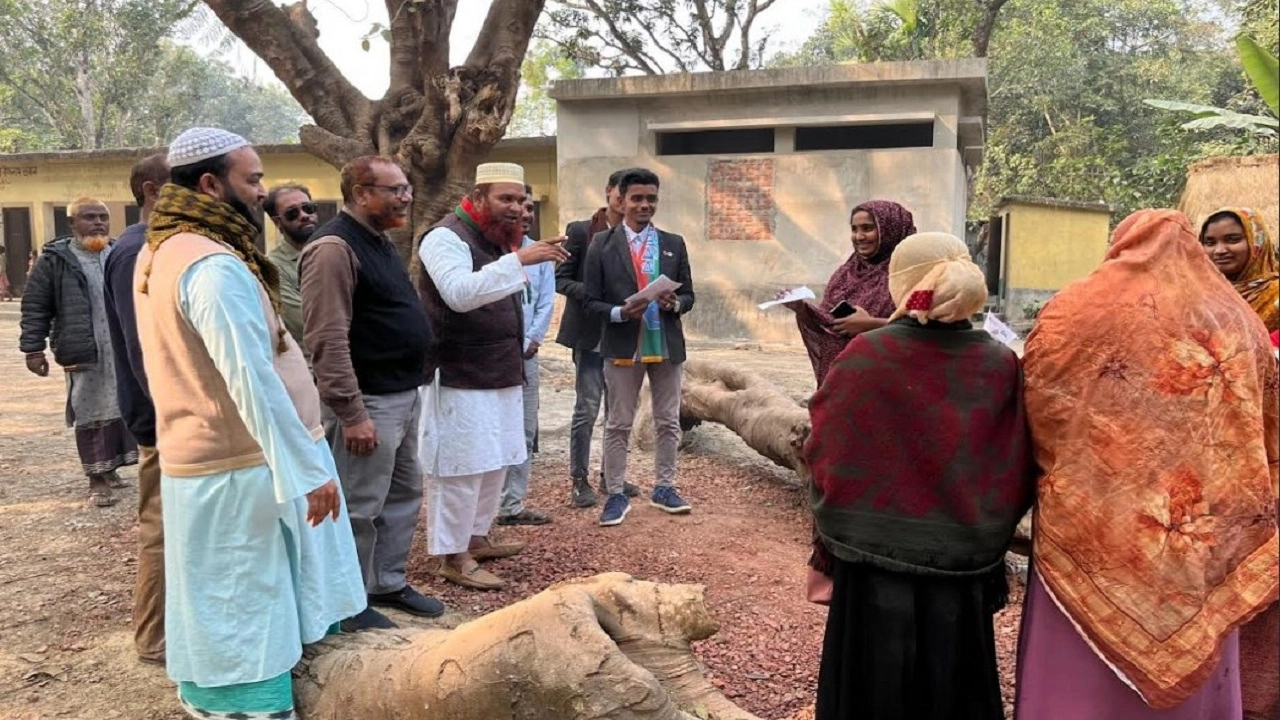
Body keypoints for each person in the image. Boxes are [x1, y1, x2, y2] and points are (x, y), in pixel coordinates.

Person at [133, 126, 366, 719]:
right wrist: (306, 470)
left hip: (231, 461)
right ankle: (248, 709)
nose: (263, 192)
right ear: (211, 185)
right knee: (242, 599)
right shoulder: (210, 265)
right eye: (253, 179)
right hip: (237, 468)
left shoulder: (167, 246)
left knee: (242, 593)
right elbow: (251, 379)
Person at [1016, 209, 1279, 719]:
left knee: (1074, 667)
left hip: (1089, 521)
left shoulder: (1075, 309)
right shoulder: (1237, 321)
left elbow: (1038, 406)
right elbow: (1264, 425)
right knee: (1198, 636)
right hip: (1198, 524)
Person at [807, 231, 1032, 720]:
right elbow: (1013, 460)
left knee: (870, 692)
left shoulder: (868, 355)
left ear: (902, 285)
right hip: (963, 564)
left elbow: (826, 449)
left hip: (872, 565)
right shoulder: (999, 363)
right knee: (954, 690)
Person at [300, 155, 441, 629]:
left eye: (407, 188)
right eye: (395, 189)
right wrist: (353, 413)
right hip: (367, 403)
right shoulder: (334, 249)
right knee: (358, 507)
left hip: (401, 395)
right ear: (361, 194)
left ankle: (385, 582)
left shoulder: (378, 241)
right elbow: (326, 337)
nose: (407, 197)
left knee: (403, 494)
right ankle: (348, 603)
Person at [418, 163, 568, 590]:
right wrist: (521, 260)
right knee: (462, 466)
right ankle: (452, 555)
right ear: (478, 197)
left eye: (521, 200)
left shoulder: (497, 239)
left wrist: (516, 257)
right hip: (460, 373)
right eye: (506, 199)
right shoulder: (444, 237)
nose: (516, 208)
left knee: (497, 460)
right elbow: (460, 294)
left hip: (501, 369)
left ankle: (477, 538)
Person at [1200, 206, 1280, 720]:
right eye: (1209, 241)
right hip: (1215, 466)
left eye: (1232, 240)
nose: (1219, 250)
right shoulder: (1199, 302)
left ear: (1257, 243)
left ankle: (1260, 700)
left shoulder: (1276, 300)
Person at [583, 168, 696, 527]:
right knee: (618, 423)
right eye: (637, 198)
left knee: (667, 420)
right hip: (621, 343)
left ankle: (665, 486)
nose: (645, 205)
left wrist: (674, 305)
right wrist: (618, 311)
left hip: (665, 343)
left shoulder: (673, 243)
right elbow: (589, 300)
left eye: (651, 198)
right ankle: (615, 493)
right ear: (621, 199)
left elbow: (689, 295)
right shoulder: (602, 244)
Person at [20, 197, 138, 507]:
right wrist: (33, 349)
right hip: (84, 351)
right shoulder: (55, 260)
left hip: (121, 351)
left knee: (119, 405)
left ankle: (111, 469)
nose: (98, 222)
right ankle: (96, 479)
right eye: (89, 217)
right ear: (73, 224)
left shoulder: (118, 252)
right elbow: (35, 306)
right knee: (90, 410)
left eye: (103, 217)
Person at [102, 152, 170, 665]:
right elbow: (141, 348)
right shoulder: (134, 251)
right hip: (161, 422)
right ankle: (154, 639)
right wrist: (173, 416)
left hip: (172, 419)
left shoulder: (157, 245)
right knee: (163, 530)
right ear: (151, 190)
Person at [554, 168, 638, 507]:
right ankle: (579, 479)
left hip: (623, 335)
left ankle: (610, 476)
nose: (627, 202)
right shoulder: (581, 231)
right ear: (609, 192)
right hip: (590, 335)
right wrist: (593, 293)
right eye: (624, 195)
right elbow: (561, 279)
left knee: (617, 410)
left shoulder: (637, 235)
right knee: (587, 408)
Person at [780, 200, 916, 385]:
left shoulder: (911, 274)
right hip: (845, 380)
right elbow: (829, 324)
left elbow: (927, 330)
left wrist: (871, 325)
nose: (859, 236)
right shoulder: (847, 273)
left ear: (890, 230)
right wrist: (801, 308)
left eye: (867, 228)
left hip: (892, 383)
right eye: (854, 229)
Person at [495, 186, 555, 527]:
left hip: (527, 357)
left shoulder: (541, 254)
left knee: (524, 430)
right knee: (493, 429)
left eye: (530, 208)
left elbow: (546, 300)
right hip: (493, 358)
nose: (525, 214)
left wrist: (534, 338)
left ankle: (512, 505)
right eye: (518, 206)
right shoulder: (491, 252)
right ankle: (483, 508)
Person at [264, 184, 319, 352]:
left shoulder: (338, 251)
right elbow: (305, 323)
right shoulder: (273, 266)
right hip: (312, 363)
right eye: (292, 213)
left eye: (308, 208)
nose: (304, 216)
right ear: (277, 222)